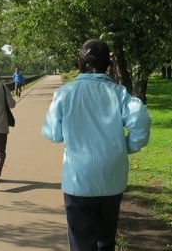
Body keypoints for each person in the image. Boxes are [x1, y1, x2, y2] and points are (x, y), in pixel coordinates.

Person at [41, 39, 151, 251]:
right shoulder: (118, 93)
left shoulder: (65, 93)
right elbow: (140, 119)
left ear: (79, 63)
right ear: (107, 65)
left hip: (78, 179)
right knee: (106, 240)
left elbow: (52, 134)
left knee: (81, 242)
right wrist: (127, 146)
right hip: (111, 177)